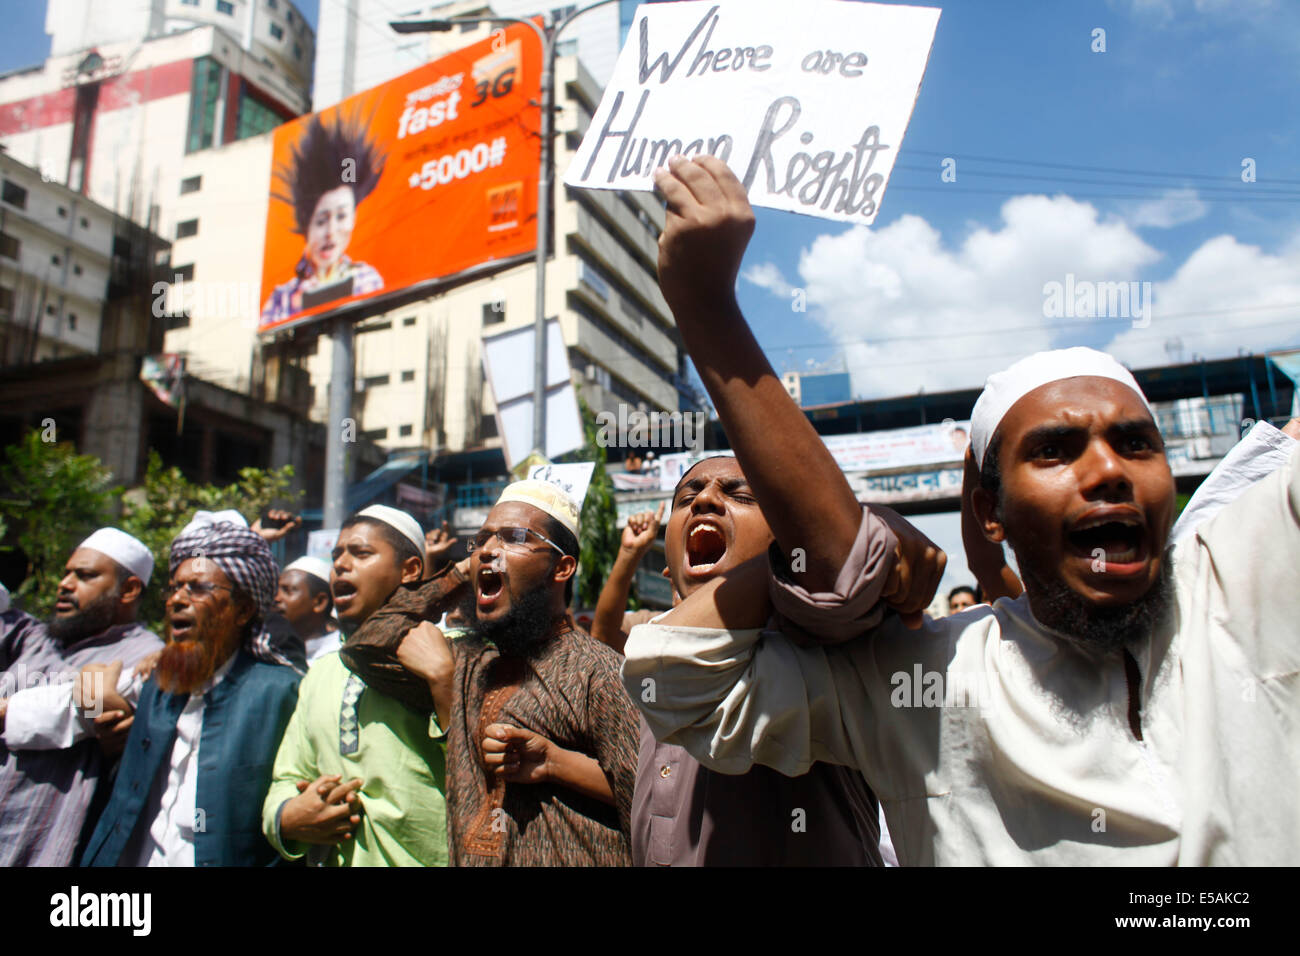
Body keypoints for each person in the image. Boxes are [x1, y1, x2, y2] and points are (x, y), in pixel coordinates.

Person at [623, 155, 1300, 866]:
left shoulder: (1245, 579)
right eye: (1056, 451)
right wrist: (706, 307)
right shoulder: (927, 679)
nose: (1107, 471)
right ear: (990, 512)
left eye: (1135, 443)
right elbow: (676, 681)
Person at [594, 471, 887, 866]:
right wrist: (629, 556)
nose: (705, 501)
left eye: (743, 496)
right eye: (687, 498)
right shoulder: (657, 647)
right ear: (670, 569)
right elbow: (605, 638)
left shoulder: (821, 645)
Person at [347, 480, 640, 866]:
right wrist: (457, 575)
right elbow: (366, 643)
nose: (487, 550)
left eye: (513, 537)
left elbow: (654, 801)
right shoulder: (466, 666)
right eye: (481, 540)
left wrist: (557, 764)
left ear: (562, 567)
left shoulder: (598, 672)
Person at [80, 520, 300, 866]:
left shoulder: (281, 693)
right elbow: (77, 701)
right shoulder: (159, 684)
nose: (177, 600)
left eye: (198, 588)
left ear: (242, 610)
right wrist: (94, 693)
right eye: (174, 588)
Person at [262, 505, 452, 867]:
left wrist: (444, 681)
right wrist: (290, 817)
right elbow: (286, 778)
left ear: (410, 570)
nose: (341, 565)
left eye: (361, 553)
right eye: (336, 556)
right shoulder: (321, 673)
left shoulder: (451, 654)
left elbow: (487, 775)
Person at [0, 529, 162, 866]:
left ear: (129, 589)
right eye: (66, 573)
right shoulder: (36, 639)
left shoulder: (144, 657)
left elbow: (88, 708)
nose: (66, 584)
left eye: (85, 576)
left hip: (37, 848)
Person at [260, 111, 385, 324]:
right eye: (321, 221)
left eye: (342, 216)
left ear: (354, 217)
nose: (331, 232)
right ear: (305, 225)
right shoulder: (282, 298)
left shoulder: (367, 280)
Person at [275, 556, 338, 667]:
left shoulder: (338, 655)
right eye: (277, 590)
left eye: (287, 591)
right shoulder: (271, 647)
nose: (276, 598)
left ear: (319, 602)